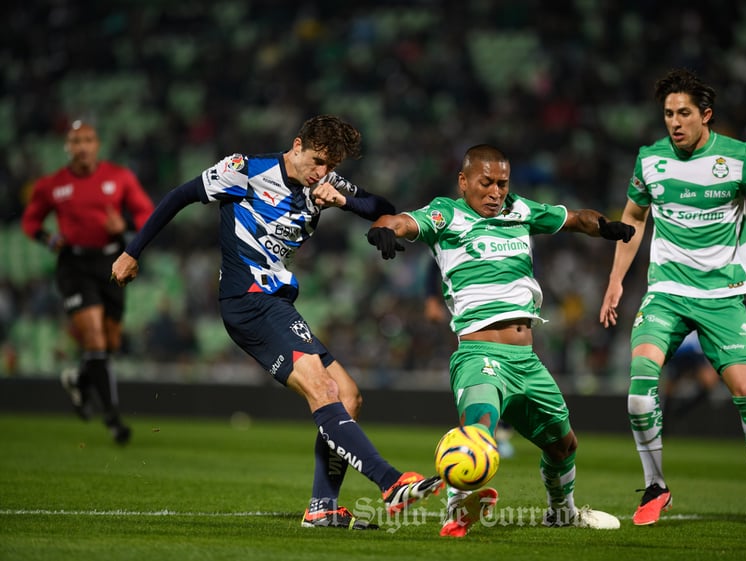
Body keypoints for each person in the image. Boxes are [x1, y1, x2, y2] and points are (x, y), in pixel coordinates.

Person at [110, 115, 442, 530]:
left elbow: (384, 209)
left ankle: (323, 507)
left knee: (349, 396)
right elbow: (179, 196)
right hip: (247, 300)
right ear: (297, 145)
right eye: (318, 161)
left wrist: (343, 200)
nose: (323, 173)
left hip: (277, 301)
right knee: (323, 390)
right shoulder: (244, 171)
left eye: (332, 167)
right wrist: (132, 252)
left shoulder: (326, 184)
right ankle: (392, 483)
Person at [367, 144, 634, 537]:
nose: (495, 192)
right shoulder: (447, 213)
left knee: (564, 445)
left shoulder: (520, 211)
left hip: (527, 361)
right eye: (486, 182)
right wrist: (384, 229)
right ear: (463, 181)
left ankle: (562, 512)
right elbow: (402, 220)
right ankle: (456, 509)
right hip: (480, 355)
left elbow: (576, 219)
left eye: (502, 184)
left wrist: (605, 226)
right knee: (479, 430)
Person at [598, 68, 746, 532]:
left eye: (684, 113)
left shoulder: (740, 158)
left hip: (722, 295)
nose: (674, 122)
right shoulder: (650, 160)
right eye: (668, 113)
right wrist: (616, 279)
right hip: (666, 291)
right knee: (638, 390)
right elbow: (633, 215)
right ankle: (655, 486)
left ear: (706, 115)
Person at [21, 120, 155, 445]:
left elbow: (146, 213)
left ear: (97, 145)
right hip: (74, 264)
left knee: (109, 342)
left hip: (111, 262)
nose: (82, 146)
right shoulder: (52, 185)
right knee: (94, 336)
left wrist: (122, 224)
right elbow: (30, 220)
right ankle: (113, 420)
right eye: (75, 140)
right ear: (67, 147)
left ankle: (79, 379)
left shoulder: (119, 177)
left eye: (88, 140)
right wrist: (47, 238)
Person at [424, 259, 516, 459]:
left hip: (506, 303)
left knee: (506, 366)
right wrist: (431, 298)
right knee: (474, 363)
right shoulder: (456, 229)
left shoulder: (516, 231)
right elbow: (435, 259)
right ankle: (482, 427)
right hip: (466, 301)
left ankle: (500, 429)